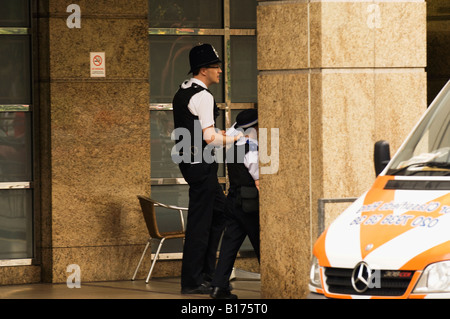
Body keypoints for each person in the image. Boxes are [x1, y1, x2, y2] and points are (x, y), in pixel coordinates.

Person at [172, 43, 243, 294]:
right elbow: (210, 138)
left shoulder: (184, 90)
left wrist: (217, 134)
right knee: (200, 223)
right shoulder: (203, 96)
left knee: (221, 213)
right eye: (216, 66)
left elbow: (202, 132)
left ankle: (207, 273)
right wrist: (234, 138)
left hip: (192, 162)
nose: (220, 71)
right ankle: (193, 281)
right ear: (203, 70)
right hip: (201, 165)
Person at [210, 109, 260, 299]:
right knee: (263, 245)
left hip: (233, 201)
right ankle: (278, 284)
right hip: (249, 204)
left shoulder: (233, 144)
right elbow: (258, 178)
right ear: (254, 127)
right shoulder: (251, 147)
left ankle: (218, 287)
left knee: (229, 246)